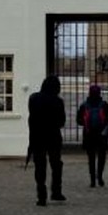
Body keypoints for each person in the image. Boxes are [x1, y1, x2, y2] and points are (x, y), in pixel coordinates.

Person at [28, 75, 66, 206]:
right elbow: (62, 122)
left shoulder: (33, 98)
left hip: (38, 136)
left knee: (40, 165)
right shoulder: (58, 101)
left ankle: (41, 195)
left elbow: (31, 119)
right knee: (56, 164)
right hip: (53, 136)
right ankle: (56, 191)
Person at [77, 85, 108, 187]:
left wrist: (86, 122)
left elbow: (79, 120)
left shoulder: (84, 105)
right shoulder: (104, 105)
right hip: (102, 134)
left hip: (89, 134)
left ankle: (92, 180)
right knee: (102, 156)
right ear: (99, 93)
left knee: (91, 158)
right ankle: (100, 177)